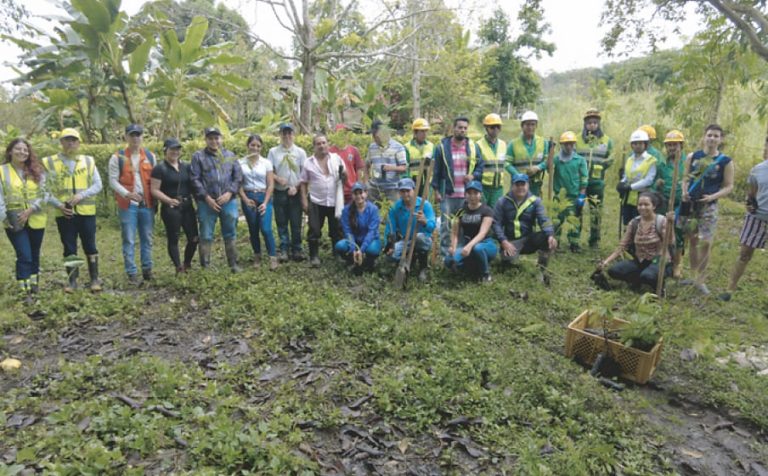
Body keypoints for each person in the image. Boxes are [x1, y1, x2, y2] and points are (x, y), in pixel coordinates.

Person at [43, 128, 103, 292]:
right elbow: (44, 189)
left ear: (78, 142)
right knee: (69, 247)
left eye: (74, 140)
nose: (71, 143)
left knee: (90, 245)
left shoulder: (88, 161)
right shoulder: (49, 162)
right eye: (67, 139)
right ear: (61, 142)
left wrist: (81, 195)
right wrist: (59, 205)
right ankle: (72, 281)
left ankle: (94, 279)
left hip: (86, 212)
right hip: (64, 213)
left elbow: (98, 185)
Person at [679, 124, 735, 295]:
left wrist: (713, 197)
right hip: (691, 204)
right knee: (692, 240)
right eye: (709, 135)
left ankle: (701, 279)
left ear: (721, 139)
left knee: (706, 242)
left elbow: (728, 186)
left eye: (716, 136)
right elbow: (685, 178)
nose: (712, 138)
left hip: (708, 206)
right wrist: (684, 192)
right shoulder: (693, 157)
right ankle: (693, 274)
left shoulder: (725, 161)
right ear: (704, 136)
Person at [719, 136, 768, 301]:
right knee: (745, 254)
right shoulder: (757, 170)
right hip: (757, 217)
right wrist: (749, 203)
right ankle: (729, 289)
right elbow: (752, 194)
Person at [108, 124, 157, 284]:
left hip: (147, 204)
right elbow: (113, 181)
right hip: (128, 205)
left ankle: (147, 270)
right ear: (126, 137)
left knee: (147, 238)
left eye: (138, 135)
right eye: (132, 135)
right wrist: (127, 194)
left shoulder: (150, 156)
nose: (135, 138)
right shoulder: (117, 157)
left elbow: (155, 180)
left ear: (142, 137)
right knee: (129, 238)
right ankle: (132, 273)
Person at [190, 127, 243, 272]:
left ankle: (233, 264)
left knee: (230, 232)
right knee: (206, 234)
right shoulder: (198, 156)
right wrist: (206, 198)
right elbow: (195, 179)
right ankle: (205, 266)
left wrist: (229, 193)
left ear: (221, 138)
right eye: (210, 138)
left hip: (228, 201)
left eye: (216, 138)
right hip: (207, 202)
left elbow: (238, 177)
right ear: (206, 139)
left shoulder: (230, 155)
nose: (214, 141)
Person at [432, 116, 484, 259]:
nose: (462, 130)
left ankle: (459, 255)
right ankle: (444, 256)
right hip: (447, 194)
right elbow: (436, 171)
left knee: (462, 226)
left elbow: (480, 166)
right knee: (445, 226)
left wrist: (473, 176)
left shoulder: (473, 147)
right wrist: (436, 191)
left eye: (465, 128)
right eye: (460, 127)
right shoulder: (442, 147)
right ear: (453, 128)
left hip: (467, 196)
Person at [0, 139, 47, 298]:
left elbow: (45, 193)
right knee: (24, 255)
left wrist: (31, 209)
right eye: (18, 149)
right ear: (10, 151)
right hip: (14, 220)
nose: (22, 152)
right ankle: (24, 290)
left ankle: (34, 286)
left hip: (36, 218)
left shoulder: (37, 170)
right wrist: (4, 218)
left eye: (25, 150)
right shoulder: (2, 171)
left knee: (34, 253)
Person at [597, 192, 671, 292]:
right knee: (614, 271)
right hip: (640, 261)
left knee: (648, 276)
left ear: (654, 206)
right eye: (640, 205)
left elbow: (670, 241)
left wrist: (670, 225)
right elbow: (622, 246)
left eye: (646, 204)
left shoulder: (662, 221)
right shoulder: (634, 222)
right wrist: (606, 262)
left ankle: (659, 287)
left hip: (657, 261)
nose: (642, 207)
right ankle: (637, 281)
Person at [493, 174, 557, 284]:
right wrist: (503, 241)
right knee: (509, 265)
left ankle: (541, 269)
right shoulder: (502, 201)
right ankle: (508, 261)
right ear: (512, 186)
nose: (520, 188)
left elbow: (543, 219)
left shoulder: (535, 201)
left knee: (546, 239)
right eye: (517, 185)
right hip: (510, 242)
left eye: (523, 184)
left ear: (528, 185)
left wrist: (550, 234)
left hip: (528, 239)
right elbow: (496, 224)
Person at [150, 138, 199, 274]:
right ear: (165, 150)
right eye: (172, 149)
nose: (175, 152)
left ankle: (187, 262)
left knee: (194, 238)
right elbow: (154, 190)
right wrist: (168, 200)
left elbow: (193, 186)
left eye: (177, 149)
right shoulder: (159, 169)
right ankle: (178, 267)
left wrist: (198, 202)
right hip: (170, 208)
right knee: (174, 238)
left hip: (187, 205)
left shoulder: (187, 167)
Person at [301, 134, 347, 268]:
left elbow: (345, 177)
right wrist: (304, 200)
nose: (321, 146)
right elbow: (303, 183)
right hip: (316, 201)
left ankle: (337, 254)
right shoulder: (308, 162)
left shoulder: (337, 159)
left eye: (323, 143)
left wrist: (343, 175)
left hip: (334, 201)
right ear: (314, 146)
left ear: (328, 144)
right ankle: (314, 256)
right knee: (314, 229)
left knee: (337, 229)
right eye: (318, 144)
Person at [574, 108, 615, 248]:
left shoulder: (607, 141)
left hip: (597, 182)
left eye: (595, 122)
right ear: (585, 123)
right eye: (589, 122)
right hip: (579, 183)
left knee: (596, 211)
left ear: (599, 124)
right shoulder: (577, 139)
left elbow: (611, 158)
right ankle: (575, 239)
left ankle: (594, 240)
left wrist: (602, 167)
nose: (592, 125)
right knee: (577, 209)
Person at [268, 123, 307, 262]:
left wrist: (296, 187)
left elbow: (304, 174)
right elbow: (269, 172)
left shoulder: (300, 152)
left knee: (296, 223)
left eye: (289, 133)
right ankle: (284, 249)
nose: (287, 136)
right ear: (280, 135)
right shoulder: (273, 152)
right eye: (284, 133)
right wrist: (278, 178)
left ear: (293, 135)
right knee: (281, 222)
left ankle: (297, 249)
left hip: (295, 192)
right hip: (280, 192)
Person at [384, 178, 436, 281]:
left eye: (408, 191)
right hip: (406, 240)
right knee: (390, 256)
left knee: (419, 237)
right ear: (399, 192)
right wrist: (389, 245)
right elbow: (390, 228)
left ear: (414, 190)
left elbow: (432, 227)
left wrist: (425, 221)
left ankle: (423, 267)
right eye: (402, 191)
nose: (405, 194)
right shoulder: (396, 207)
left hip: (424, 238)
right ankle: (409, 259)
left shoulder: (424, 205)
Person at [446, 181, 498, 282]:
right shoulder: (461, 211)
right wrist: (453, 246)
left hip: (486, 244)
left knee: (477, 248)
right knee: (449, 260)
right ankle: (470, 269)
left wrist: (469, 246)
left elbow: (482, 233)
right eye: (469, 193)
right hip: (467, 245)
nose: (472, 196)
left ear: (481, 195)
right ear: (465, 194)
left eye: (475, 193)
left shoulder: (487, 210)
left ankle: (486, 275)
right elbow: (454, 232)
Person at [239, 134, 277, 271]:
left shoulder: (266, 163)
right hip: (248, 197)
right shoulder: (240, 163)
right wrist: (244, 199)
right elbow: (238, 184)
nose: (255, 148)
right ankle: (257, 256)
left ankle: (273, 257)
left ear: (261, 147)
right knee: (253, 229)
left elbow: (271, 184)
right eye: (253, 145)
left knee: (266, 229)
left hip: (263, 196)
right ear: (248, 146)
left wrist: (265, 202)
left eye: (258, 146)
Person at [551, 131, 588, 252]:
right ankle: (555, 243)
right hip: (559, 196)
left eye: (571, 144)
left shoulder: (580, 160)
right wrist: (549, 151)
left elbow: (584, 178)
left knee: (574, 220)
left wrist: (582, 195)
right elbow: (548, 168)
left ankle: (574, 244)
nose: (568, 147)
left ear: (574, 145)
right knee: (557, 221)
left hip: (574, 196)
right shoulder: (556, 159)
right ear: (562, 145)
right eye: (566, 144)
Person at [335, 182, 381, 274]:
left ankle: (368, 263)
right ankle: (352, 260)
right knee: (339, 246)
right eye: (355, 194)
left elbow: (372, 232)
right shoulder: (346, 210)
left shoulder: (373, 209)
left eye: (361, 193)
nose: (358, 196)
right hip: (354, 240)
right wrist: (353, 249)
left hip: (370, 239)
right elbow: (347, 231)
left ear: (366, 193)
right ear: (352, 195)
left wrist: (361, 249)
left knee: (372, 250)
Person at [659, 130, 686, 277]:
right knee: (665, 231)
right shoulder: (663, 163)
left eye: (674, 145)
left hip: (682, 203)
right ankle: (665, 260)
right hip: (665, 201)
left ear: (681, 145)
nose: (671, 148)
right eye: (669, 145)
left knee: (679, 232)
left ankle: (677, 265)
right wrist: (659, 184)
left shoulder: (687, 162)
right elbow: (657, 181)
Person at [616, 130, 657, 225]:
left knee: (640, 222)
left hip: (642, 196)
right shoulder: (630, 159)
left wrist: (630, 187)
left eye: (640, 143)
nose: (637, 146)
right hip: (628, 196)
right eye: (635, 143)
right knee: (628, 222)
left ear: (645, 145)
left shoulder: (651, 160)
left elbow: (648, 180)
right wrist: (622, 183)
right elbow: (626, 176)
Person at [506, 111, 549, 197]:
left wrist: (538, 167)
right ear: (522, 126)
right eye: (527, 125)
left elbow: (547, 160)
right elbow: (507, 163)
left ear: (536, 126)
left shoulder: (543, 142)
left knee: (535, 208)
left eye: (533, 124)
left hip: (535, 185)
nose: (530, 127)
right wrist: (518, 176)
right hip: (518, 185)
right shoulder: (513, 144)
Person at [365, 119, 407, 203]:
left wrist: (392, 168)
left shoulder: (398, 147)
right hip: (374, 188)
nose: (374, 137)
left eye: (375, 135)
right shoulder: (372, 147)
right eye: (373, 135)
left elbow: (404, 168)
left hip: (392, 188)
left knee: (393, 212)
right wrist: (366, 182)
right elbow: (366, 165)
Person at [476, 113, 508, 207]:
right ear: (486, 128)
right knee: (482, 213)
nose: (496, 130)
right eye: (492, 127)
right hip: (483, 187)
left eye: (498, 127)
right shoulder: (478, 145)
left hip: (498, 188)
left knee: (496, 214)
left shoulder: (503, 144)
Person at [330, 124, 365, 205]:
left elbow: (359, 170)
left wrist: (359, 188)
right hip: (335, 191)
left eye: (344, 133)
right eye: (339, 133)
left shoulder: (353, 150)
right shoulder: (330, 151)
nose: (342, 136)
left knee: (352, 215)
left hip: (351, 190)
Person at [404, 118, 434, 196]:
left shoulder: (431, 146)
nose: (424, 134)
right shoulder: (407, 147)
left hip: (427, 183)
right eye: (422, 131)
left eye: (426, 131)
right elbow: (405, 167)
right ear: (415, 132)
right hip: (412, 183)